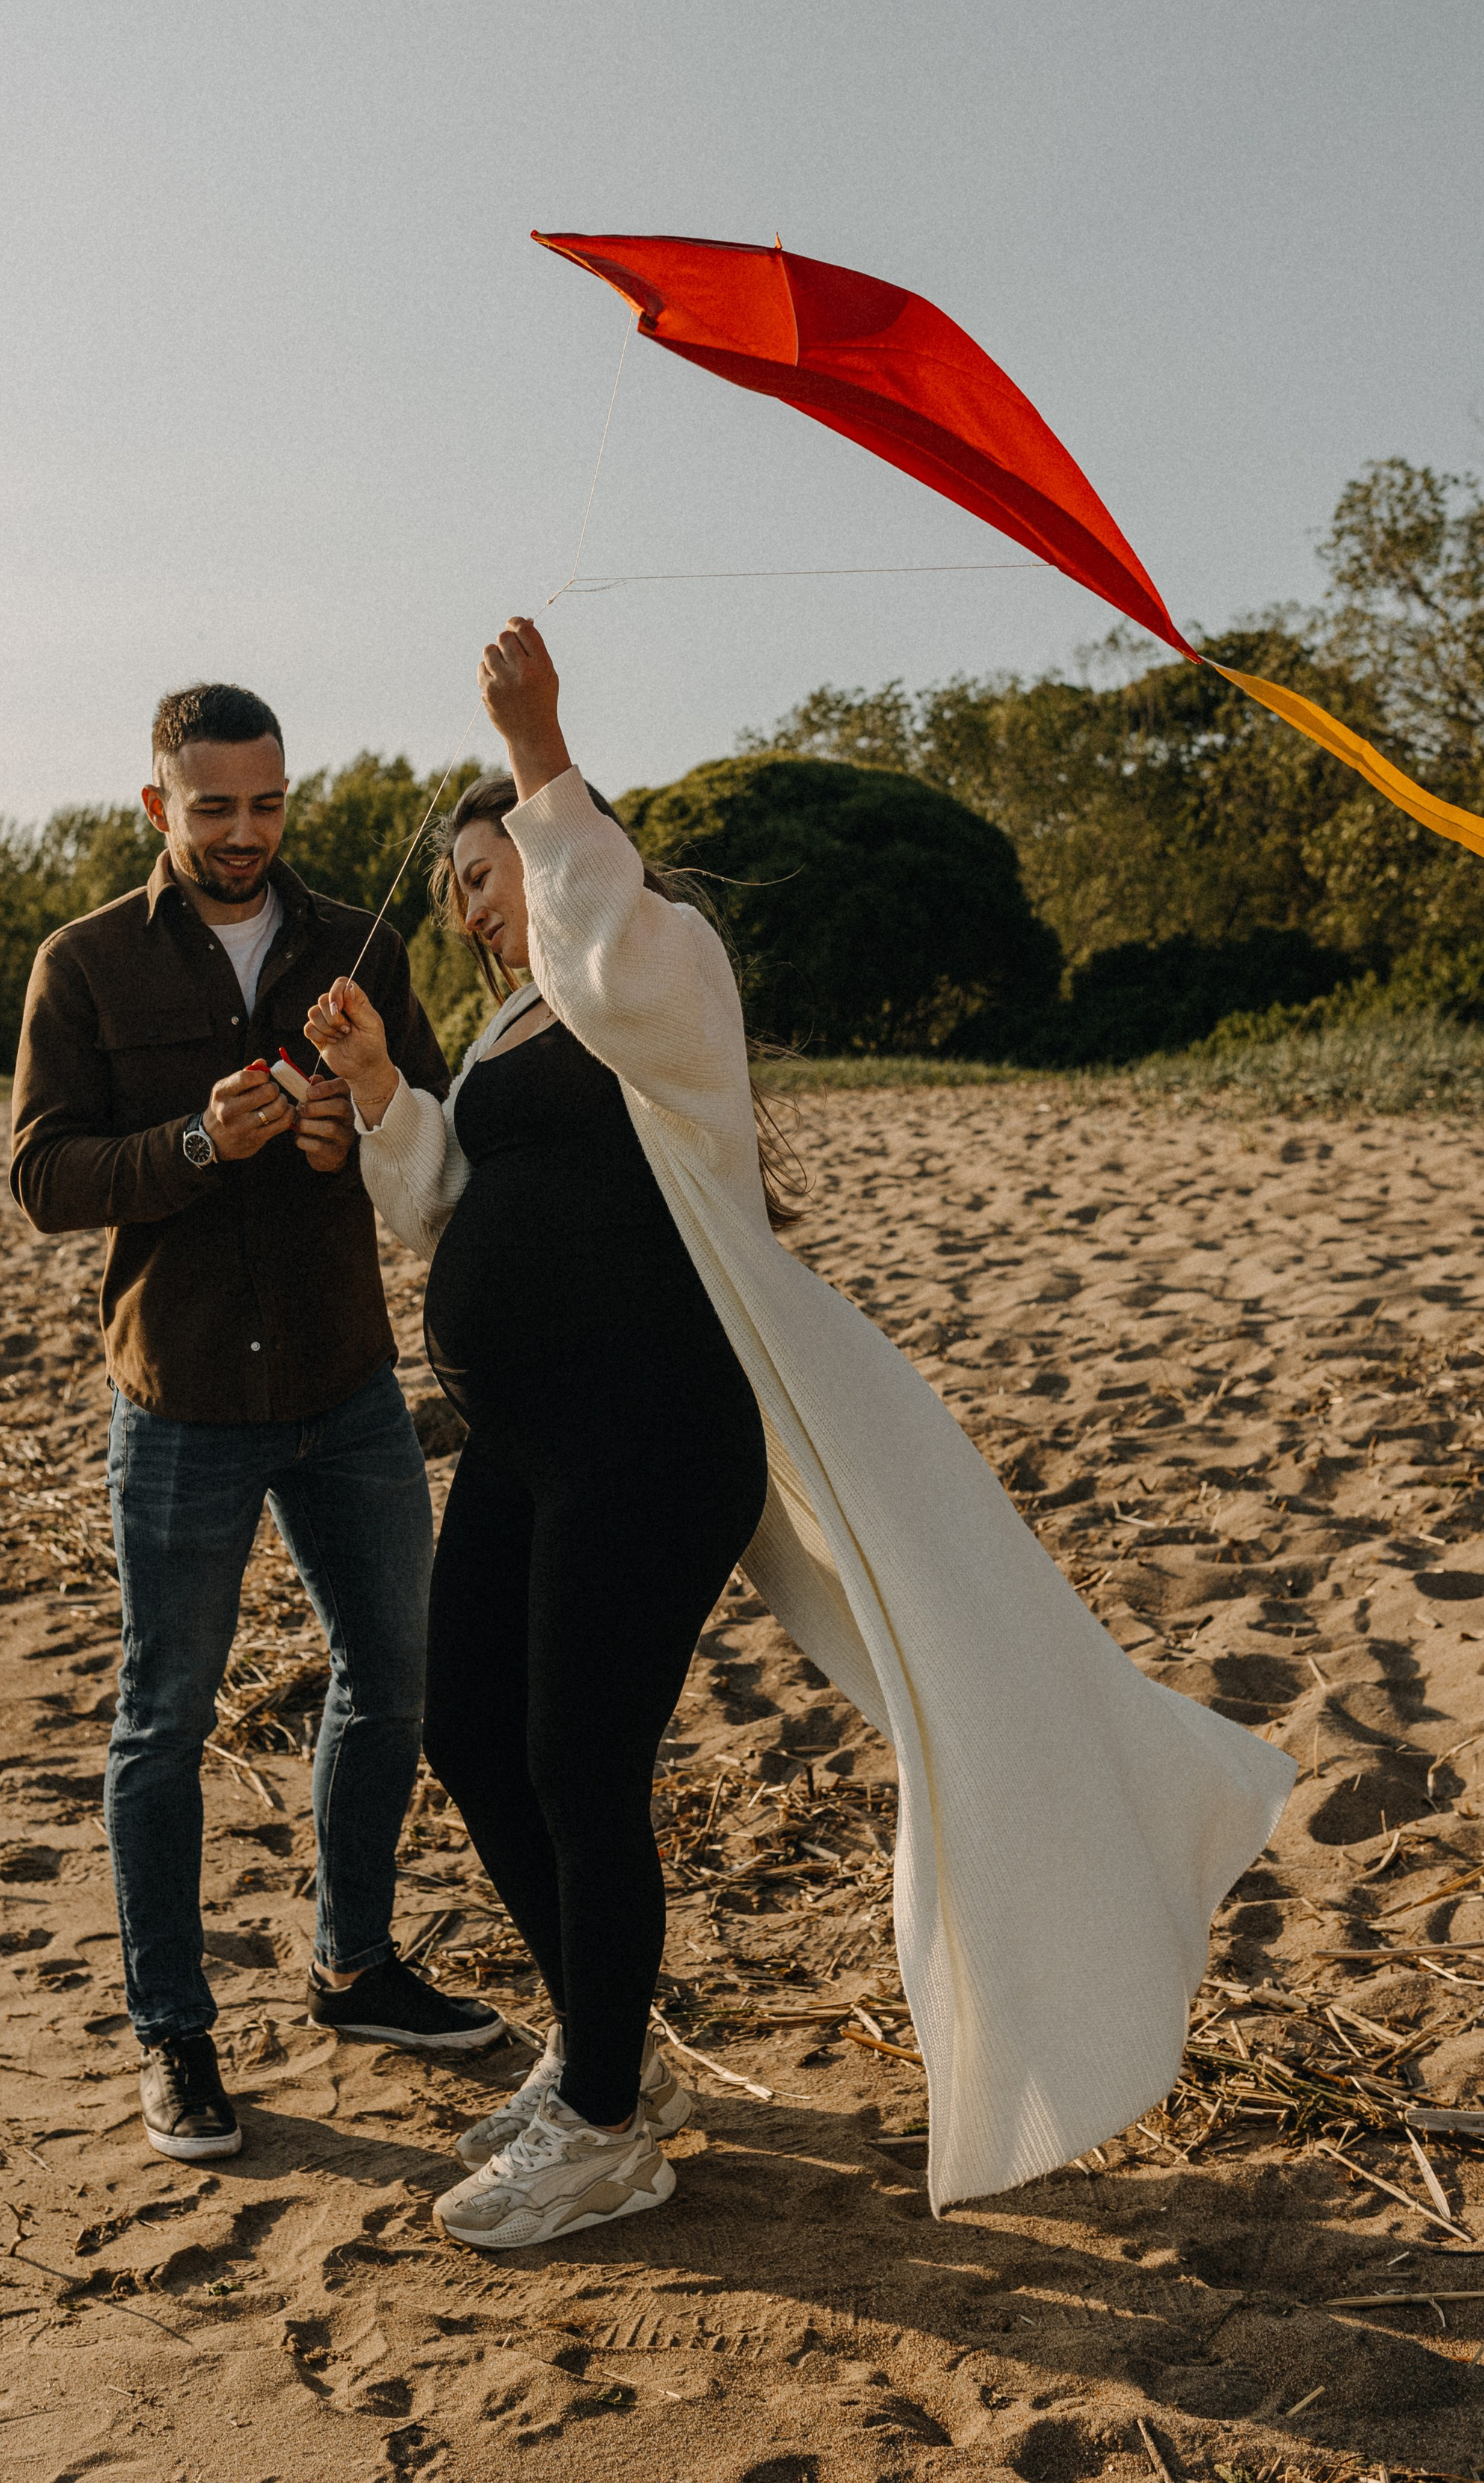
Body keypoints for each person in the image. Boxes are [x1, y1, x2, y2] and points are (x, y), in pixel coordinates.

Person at [308, 619, 1294, 2251]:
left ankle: (610, 2126)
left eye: (484, 869)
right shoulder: (498, 1038)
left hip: (651, 1435)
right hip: (522, 1440)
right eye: (460, 886)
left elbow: (610, 952)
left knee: (576, 1764)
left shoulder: (659, 968)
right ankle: (605, 2057)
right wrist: (378, 1094)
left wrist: (539, 748)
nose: (467, 903)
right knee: (468, 1735)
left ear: (561, 846)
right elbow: (443, 1216)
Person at [11, 680, 502, 2168]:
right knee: (164, 1720)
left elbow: (418, 1118)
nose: (243, 833)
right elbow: (42, 1176)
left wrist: (339, 1124)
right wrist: (184, 1144)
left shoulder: (362, 940)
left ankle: (353, 1967)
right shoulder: (83, 962)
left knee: (397, 1671)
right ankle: (173, 2032)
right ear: (157, 806)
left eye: (267, 803)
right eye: (212, 806)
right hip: (176, 1397)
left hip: (344, 1381)